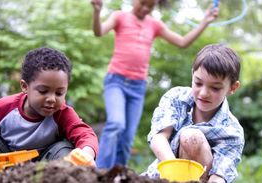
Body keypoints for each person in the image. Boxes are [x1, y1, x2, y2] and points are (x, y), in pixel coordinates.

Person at [91, 0, 219, 169]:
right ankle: (100, 171)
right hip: (116, 81)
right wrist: (97, 12)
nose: (145, 8)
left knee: (128, 136)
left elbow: (182, 42)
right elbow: (99, 32)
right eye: (142, 4)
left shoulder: (154, 24)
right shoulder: (119, 17)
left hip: (137, 87)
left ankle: (117, 173)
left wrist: (204, 22)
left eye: (150, 6)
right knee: (116, 124)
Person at [0, 47, 99, 167]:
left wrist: (86, 154)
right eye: (43, 91)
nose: (52, 99)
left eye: (59, 93)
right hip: (5, 161)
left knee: (65, 149)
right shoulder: (5, 107)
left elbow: (85, 134)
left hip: (47, 166)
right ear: (25, 86)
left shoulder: (62, 113)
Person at [143, 44, 244, 183]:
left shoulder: (232, 132)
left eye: (215, 88)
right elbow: (158, 138)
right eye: (198, 83)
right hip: (163, 176)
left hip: (200, 179)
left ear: (232, 87)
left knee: (191, 137)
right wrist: (175, 172)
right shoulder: (176, 97)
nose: (203, 93)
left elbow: (219, 177)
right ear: (192, 75)